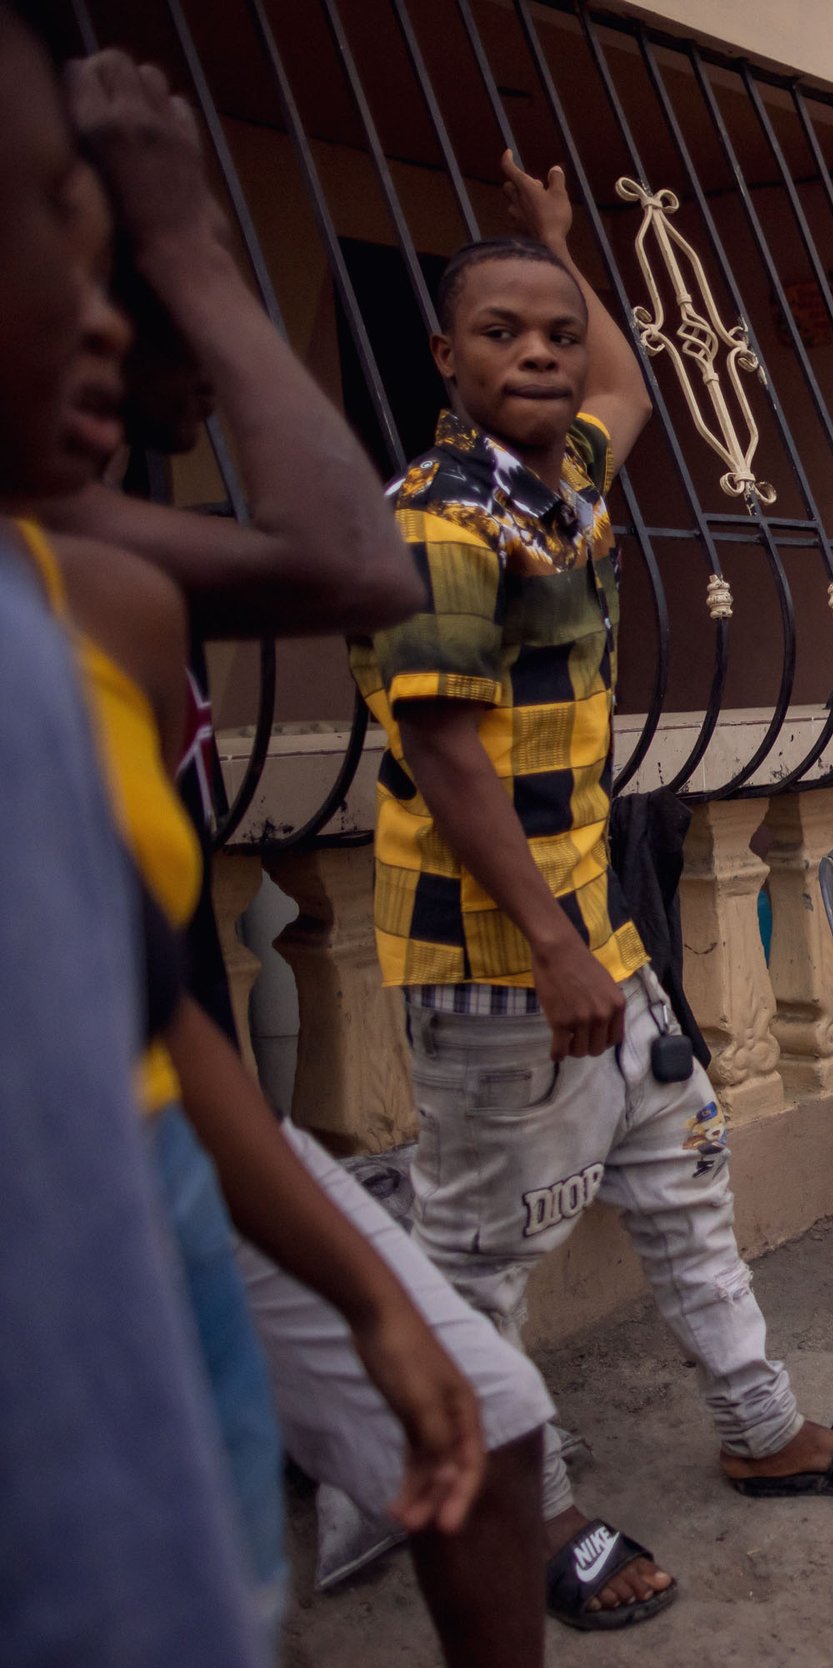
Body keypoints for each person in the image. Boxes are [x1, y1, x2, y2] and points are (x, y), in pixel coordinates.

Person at [349, 153, 833, 1629]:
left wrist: (557, 243)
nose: (543, 353)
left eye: (554, 329)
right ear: (443, 357)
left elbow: (632, 394)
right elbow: (444, 748)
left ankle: (763, 1432)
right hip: (498, 958)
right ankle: (521, 1508)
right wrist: (550, 949)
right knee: (479, 1261)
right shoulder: (435, 518)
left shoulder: (560, 488)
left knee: (683, 1193)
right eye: (503, 331)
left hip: (602, 938)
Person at [38, 51, 561, 1662]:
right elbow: (417, 675)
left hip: (185, 1147)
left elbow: (148, 999)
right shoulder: (437, 516)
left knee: (488, 1420)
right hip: (66, 1213)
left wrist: (550, 247)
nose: (153, 346)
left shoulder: (108, 581)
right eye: (76, 268)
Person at [0, 15, 262, 1657]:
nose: (108, 325)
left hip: (182, 1154)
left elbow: (146, 983)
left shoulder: (76, 603)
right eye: (52, 218)